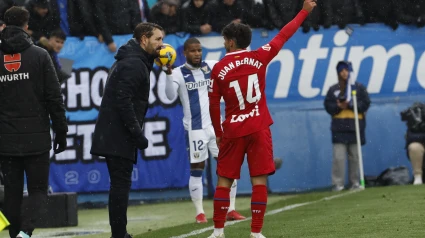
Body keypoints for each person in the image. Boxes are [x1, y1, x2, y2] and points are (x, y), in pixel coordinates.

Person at [207, 1, 317, 237]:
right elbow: (284, 34)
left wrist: (218, 132)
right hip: (258, 127)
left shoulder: (218, 68)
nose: (224, 43)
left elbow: (214, 104)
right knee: (259, 182)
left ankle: (217, 232)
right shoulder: (260, 56)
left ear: (231, 42)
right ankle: (256, 233)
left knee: (224, 182)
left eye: (225, 39)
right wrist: (304, 11)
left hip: (233, 131)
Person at [90, 22, 164, 238]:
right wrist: (137, 133)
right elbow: (124, 101)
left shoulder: (134, 59)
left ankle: (120, 233)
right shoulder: (134, 63)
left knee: (119, 185)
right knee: (120, 186)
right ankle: (119, 234)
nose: (162, 44)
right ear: (143, 39)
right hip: (118, 133)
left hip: (115, 131)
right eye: (157, 39)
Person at [0, 6, 68, 238]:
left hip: (6, 138)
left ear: (4, 25)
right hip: (36, 136)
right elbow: (54, 98)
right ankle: (26, 233)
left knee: (12, 193)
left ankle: (15, 235)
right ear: (27, 25)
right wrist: (61, 132)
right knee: (39, 190)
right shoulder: (40, 55)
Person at [163, 37, 245, 224]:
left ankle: (230, 209)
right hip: (195, 130)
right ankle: (200, 212)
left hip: (217, 129)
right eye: (193, 51)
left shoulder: (213, 66)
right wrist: (167, 75)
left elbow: (232, 65)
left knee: (228, 168)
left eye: (199, 50)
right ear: (184, 53)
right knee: (197, 170)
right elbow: (168, 97)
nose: (197, 54)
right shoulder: (177, 73)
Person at [324, 61, 371, 191]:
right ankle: (338, 183)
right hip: (339, 129)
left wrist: (350, 105)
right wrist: (338, 107)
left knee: (355, 157)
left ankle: (354, 181)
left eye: (346, 70)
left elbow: (365, 104)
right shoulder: (334, 90)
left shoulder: (358, 88)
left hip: (355, 128)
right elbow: (328, 106)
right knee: (338, 158)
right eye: (342, 71)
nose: (344, 73)